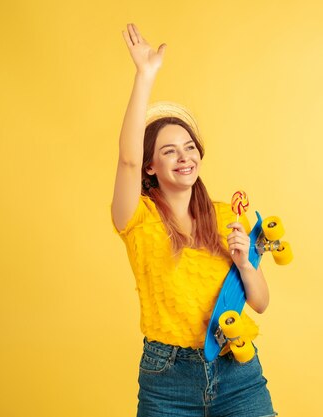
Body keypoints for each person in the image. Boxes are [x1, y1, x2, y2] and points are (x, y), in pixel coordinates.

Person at [112, 23, 277, 417]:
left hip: (237, 369)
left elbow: (261, 302)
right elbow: (127, 158)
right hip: (166, 378)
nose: (184, 157)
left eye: (189, 147)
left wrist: (243, 262)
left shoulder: (226, 215)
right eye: (169, 151)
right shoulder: (137, 217)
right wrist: (144, 77)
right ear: (150, 167)